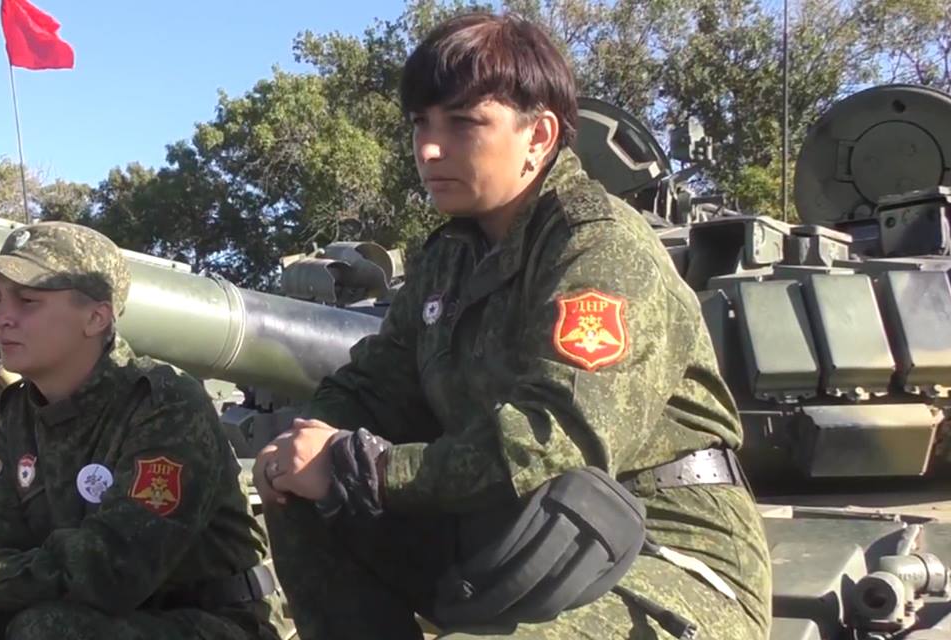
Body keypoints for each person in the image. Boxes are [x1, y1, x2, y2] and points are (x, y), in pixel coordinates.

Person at [256, 12, 772, 640]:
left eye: (463, 123)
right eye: (420, 122)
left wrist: (363, 468)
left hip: (659, 549)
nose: (429, 149)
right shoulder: (449, 257)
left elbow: (553, 442)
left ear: (539, 135)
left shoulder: (598, 246)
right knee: (303, 497)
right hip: (518, 542)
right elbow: (374, 383)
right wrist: (302, 446)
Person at [0, 222, 285, 640]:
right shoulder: (19, 412)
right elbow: (0, 534)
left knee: (47, 631)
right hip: (94, 614)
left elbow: (113, 569)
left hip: (215, 620)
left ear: (96, 317)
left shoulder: (164, 405)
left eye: (27, 301)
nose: (3, 318)